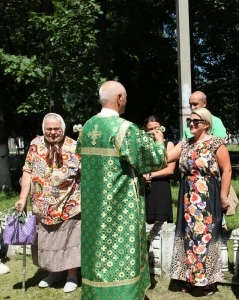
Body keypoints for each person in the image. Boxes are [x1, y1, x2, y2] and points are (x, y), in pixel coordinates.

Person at [76, 81, 166, 300]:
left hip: (93, 206)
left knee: (96, 253)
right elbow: (153, 159)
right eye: (125, 96)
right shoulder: (124, 129)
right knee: (120, 253)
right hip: (119, 208)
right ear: (119, 98)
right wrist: (160, 142)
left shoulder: (87, 126)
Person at [168, 108, 231, 296]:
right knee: (188, 235)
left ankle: (208, 281)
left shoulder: (216, 143)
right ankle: (189, 277)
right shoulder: (185, 144)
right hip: (187, 195)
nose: (192, 124)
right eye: (190, 121)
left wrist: (224, 196)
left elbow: (227, 170)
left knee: (207, 235)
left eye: (196, 121)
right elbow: (165, 157)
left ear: (207, 124)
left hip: (208, 194)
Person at [14, 113, 81, 293]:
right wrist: (22, 197)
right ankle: (53, 272)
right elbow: (27, 171)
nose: (52, 132)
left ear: (63, 129)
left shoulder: (74, 146)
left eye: (56, 129)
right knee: (47, 242)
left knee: (69, 240)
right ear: (44, 129)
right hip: (42, 205)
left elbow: (84, 175)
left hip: (68, 203)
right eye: (49, 129)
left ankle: (72, 276)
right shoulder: (35, 145)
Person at [143, 115, 175, 224]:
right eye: (150, 129)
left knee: (161, 220)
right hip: (145, 185)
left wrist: (150, 175)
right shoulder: (142, 146)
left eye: (156, 128)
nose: (154, 131)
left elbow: (170, 170)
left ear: (161, 128)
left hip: (161, 185)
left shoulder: (168, 144)